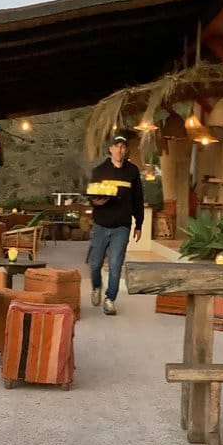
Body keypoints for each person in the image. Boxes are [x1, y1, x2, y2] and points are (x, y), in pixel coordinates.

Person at [86, 135, 146, 315]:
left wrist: (139, 223)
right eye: (116, 146)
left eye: (123, 147)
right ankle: (96, 286)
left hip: (122, 225)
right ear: (110, 149)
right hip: (101, 224)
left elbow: (138, 198)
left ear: (126, 150)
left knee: (115, 264)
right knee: (95, 264)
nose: (119, 150)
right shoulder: (99, 170)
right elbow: (91, 196)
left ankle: (110, 299)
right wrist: (96, 202)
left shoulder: (132, 171)